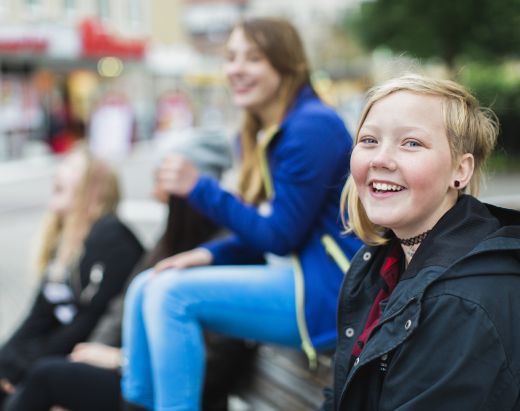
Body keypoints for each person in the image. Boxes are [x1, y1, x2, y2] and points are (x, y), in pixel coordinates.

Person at [121, 17, 363, 411]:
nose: (236, 69)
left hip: (326, 292)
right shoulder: (267, 129)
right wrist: (211, 254)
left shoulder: (311, 127)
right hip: (294, 276)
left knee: (171, 296)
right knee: (147, 284)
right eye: (231, 57)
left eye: (253, 58)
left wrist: (199, 188)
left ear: (287, 65)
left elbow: (280, 235)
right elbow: (277, 225)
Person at [3, 130, 256, 411]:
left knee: (45, 376)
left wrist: (120, 359)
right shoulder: (170, 241)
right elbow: (119, 308)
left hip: (171, 392)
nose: (154, 194)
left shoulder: (225, 251)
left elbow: (214, 364)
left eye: (162, 183)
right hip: (139, 380)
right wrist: (87, 357)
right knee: (43, 377)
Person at [322, 74, 520, 410]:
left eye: (411, 143)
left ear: (461, 170)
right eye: (369, 140)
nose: (379, 159)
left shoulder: (464, 302)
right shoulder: (379, 262)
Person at [0, 148, 144, 406]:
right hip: (61, 354)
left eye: (71, 167)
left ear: (93, 187)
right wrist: (6, 363)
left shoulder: (112, 238)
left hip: (100, 359)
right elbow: (38, 317)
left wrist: (20, 369)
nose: (59, 171)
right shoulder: (65, 243)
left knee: (35, 381)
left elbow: (85, 323)